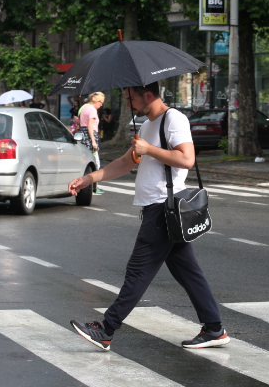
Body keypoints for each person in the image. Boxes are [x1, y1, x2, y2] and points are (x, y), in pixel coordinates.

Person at [67, 82, 228, 351]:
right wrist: (88, 179)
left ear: (148, 95)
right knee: (189, 273)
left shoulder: (173, 119)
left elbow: (187, 159)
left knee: (137, 273)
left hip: (164, 208)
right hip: (158, 209)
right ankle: (214, 328)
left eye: (131, 98)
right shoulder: (146, 126)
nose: (129, 103)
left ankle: (106, 330)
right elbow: (126, 162)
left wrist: (149, 150)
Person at [79, 92, 105, 195]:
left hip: (83, 135)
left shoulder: (84, 107)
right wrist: (93, 141)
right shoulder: (93, 110)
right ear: (97, 101)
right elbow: (90, 126)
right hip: (90, 137)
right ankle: (93, 187)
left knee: (86, 161)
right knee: (96, 163)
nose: (101, 105)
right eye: (101, 102)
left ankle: (88, 185)